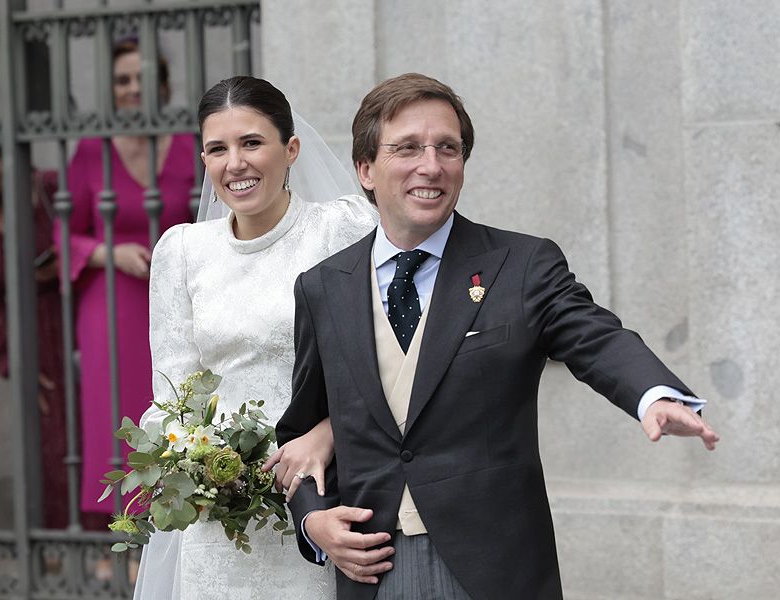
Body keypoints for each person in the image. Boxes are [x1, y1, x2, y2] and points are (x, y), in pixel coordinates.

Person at [276, 73, 720, 600]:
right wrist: (314, 524)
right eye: (409, 148)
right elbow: (300, 439)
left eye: (448, 148)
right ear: (366, 169)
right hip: (371, 571)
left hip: (494, 568)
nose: (432, 165)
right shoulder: (323, 287)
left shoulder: (523, 265)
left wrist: (652, 394)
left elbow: (595, 336)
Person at [133, 76, 377, 599]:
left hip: (321, 494)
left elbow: (388, 362)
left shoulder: (341, 230)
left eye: (251, 143)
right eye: (217, 149)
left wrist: (328, 431)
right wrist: (190, 462)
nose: (235, 163)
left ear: (290, 150)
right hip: (217, 512)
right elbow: (170, 392)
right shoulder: (182, 251)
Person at [57, 39, 196, 528]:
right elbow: (60, 227)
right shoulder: (92, 150)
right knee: (111, 414)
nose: (134, 89)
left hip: (177, 303)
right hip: (110, 304)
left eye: (143, 78)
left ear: (163, 84)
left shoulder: (187, 142)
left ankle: (170, 524)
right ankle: (111, 534)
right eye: (123, 80)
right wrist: (105, 252)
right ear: (111, 90)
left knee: (173, 410)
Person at [0, 146, 69, 529]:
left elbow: (84, 231)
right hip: (34, 343)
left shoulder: (48, 190)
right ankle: (58, 542)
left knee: (103, 428)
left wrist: (67, 259)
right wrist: (16, 363)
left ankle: (112, 541)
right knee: (50, 445)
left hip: (76, 318)